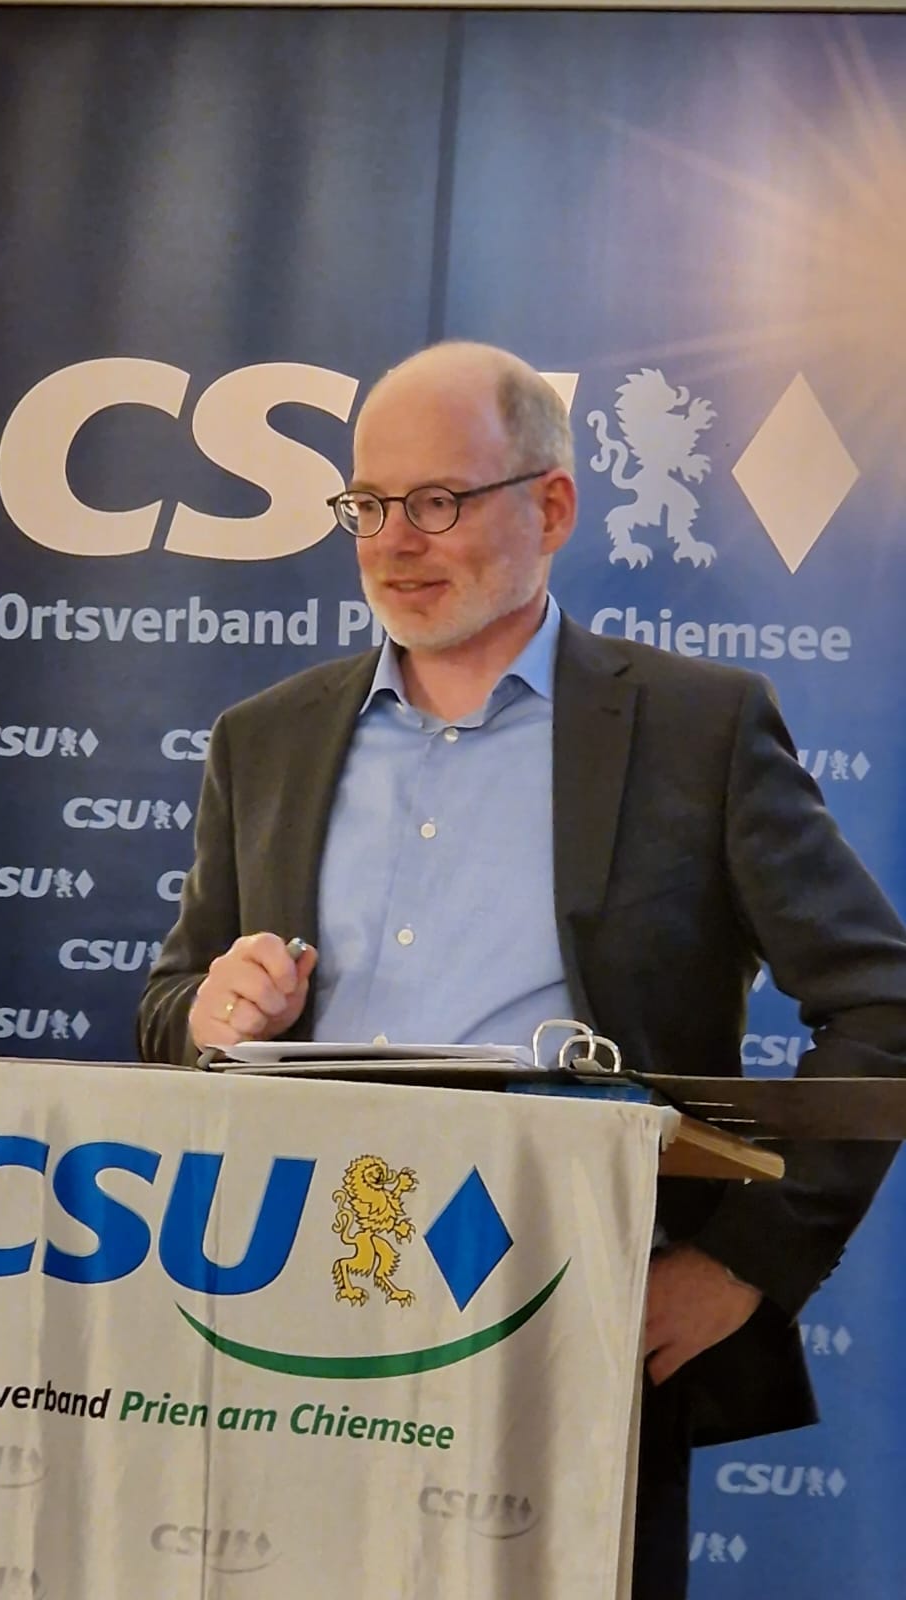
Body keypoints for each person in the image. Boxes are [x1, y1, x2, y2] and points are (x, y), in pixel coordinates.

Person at [138, 340, 906, 1598]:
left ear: (549, 507)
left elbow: (881, 1007)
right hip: (286, 1316)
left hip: (575, 1320)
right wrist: (209, 1016)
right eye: (368, 504)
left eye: (438, 500)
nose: (395, 540)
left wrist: (746, 1264)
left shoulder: (696, 730)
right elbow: (171, 1009)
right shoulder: (263, 740)